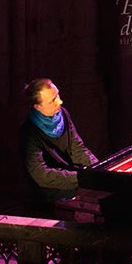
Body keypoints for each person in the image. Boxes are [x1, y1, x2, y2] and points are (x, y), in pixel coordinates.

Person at [19, 77, 98, 215]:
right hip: (48, 189)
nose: (60, 102)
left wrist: (98, 169)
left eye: (58, 95)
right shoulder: (28, 131)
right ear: (37, 107)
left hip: (71, 177)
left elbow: (78, 149)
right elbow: (42, 175)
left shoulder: (63, 114)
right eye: (52, 100)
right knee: (94, 198)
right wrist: (82, 178)